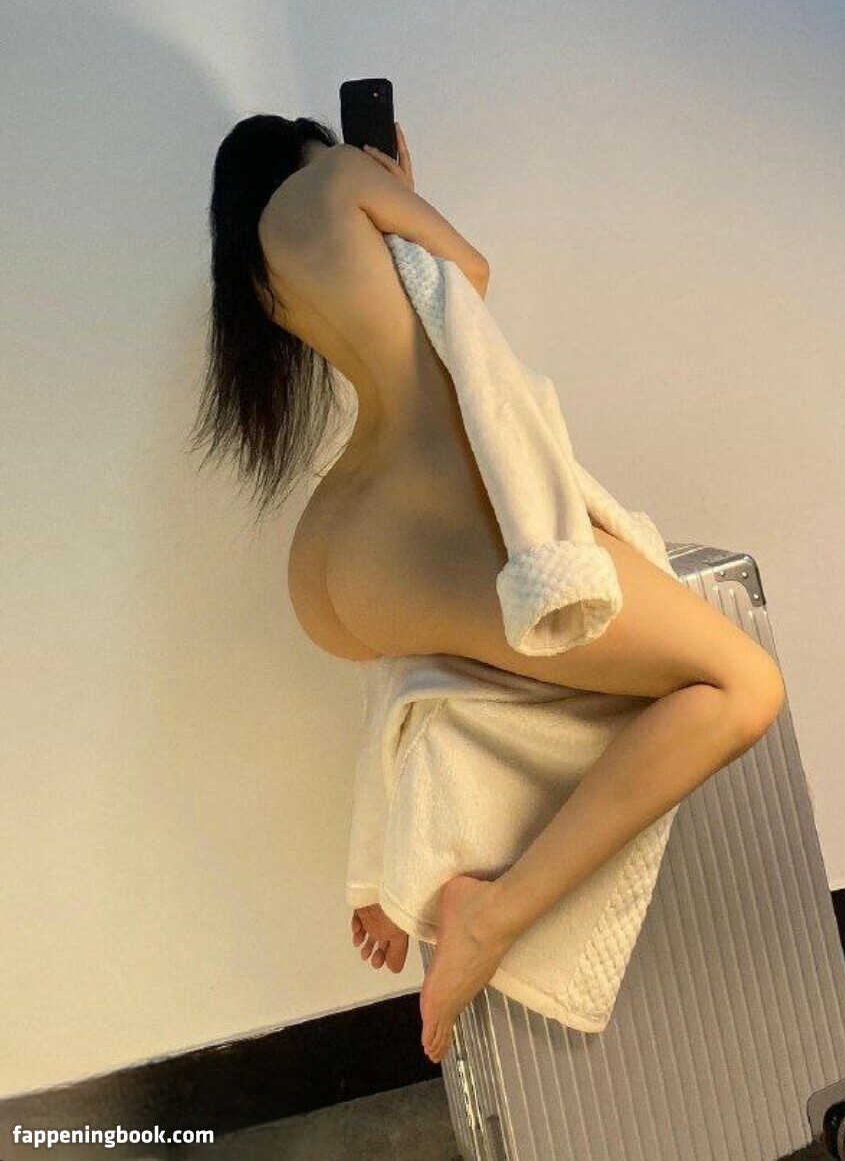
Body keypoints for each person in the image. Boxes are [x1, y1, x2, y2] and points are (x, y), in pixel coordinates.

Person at [191, 112, 786, 1064]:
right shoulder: (335, 179)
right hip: (416, 524)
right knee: (743, 685)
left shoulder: (266, 281)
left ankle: (391, 866)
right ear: (309, 153)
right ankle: (493, 915)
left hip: (341, 547)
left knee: (460, 688)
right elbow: (467, 274)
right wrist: (397, 186)